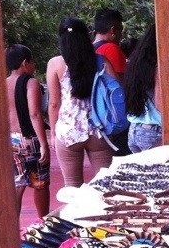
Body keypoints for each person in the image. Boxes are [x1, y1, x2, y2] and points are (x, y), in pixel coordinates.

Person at [46, 17, 116, 188]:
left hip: (68, 131)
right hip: (99, 130)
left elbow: (54, 103)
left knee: (71, 187)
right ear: (86, 36)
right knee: (104, 187)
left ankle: (71, 216)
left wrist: (54, 135)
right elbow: (115, 92)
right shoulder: (101, 61)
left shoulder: (55, 64)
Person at [5, 44, 51, 217]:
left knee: (17, 184)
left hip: (11, 139)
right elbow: (35, 113)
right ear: (25, 63)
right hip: (29, 139)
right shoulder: (31, 83)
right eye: (32, 62)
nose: (34, 66)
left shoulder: (3, 84)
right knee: (39, 182)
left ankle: (11, 227)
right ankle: (44, 222)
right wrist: (44, 144)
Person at [92, 8, 130, 154]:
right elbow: (121, 86)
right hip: (115, 117)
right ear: (113, 30)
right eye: (120, 30)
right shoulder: (112, 49)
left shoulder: (89, 50)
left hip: (98, 118)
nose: (121, 35)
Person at [124, 25, 163, 154]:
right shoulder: (159, 67)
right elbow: (160, 104)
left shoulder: (135, 64)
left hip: (135, 130)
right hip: (155, 132)